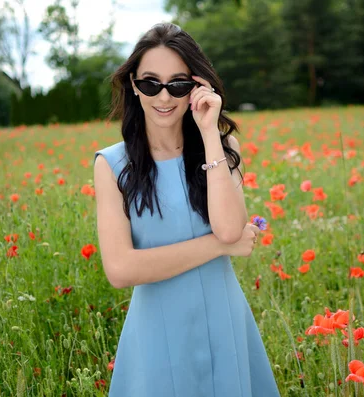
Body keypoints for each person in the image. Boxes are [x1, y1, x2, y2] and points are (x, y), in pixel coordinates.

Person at [93, 22, 281, 397]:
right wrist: (218, 247)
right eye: (150, 83)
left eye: (178, 84)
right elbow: (120, 269)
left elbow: (230, 228)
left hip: (224, 321)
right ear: (133, 84)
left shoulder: (223, 149)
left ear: (197, 88)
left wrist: (210, 132)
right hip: (156, 334)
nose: (164, 97)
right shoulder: (112, 165)